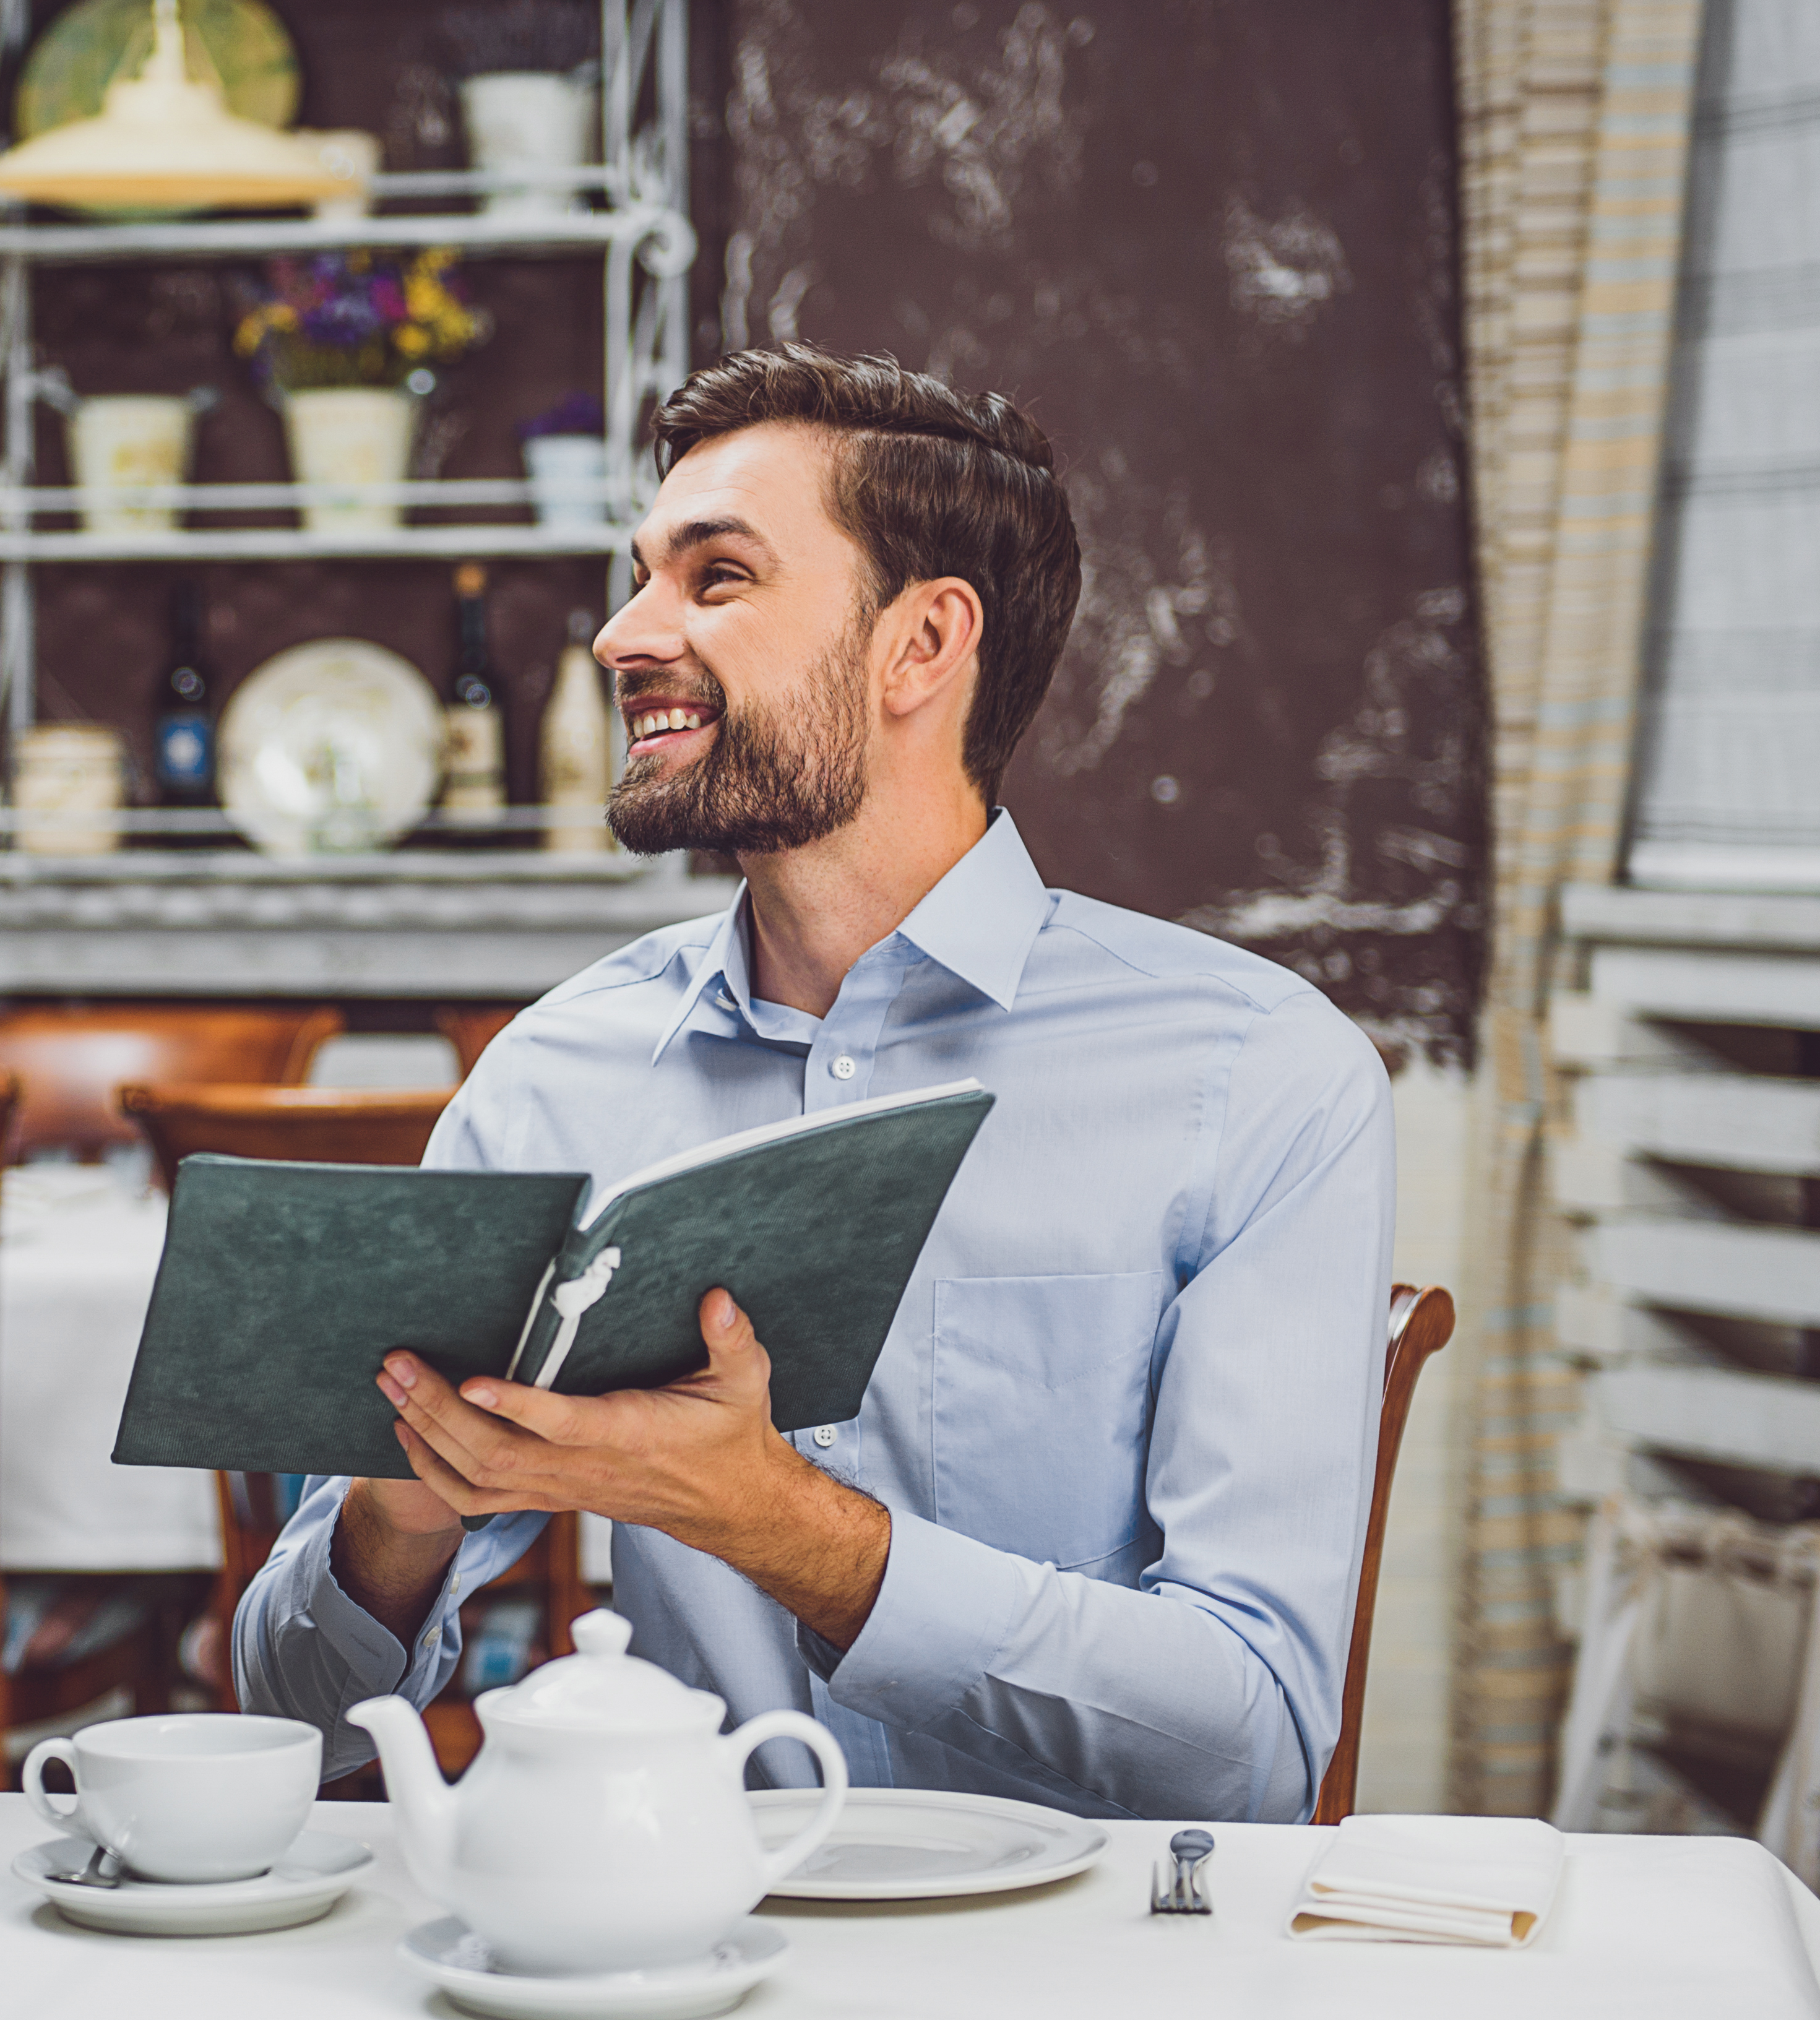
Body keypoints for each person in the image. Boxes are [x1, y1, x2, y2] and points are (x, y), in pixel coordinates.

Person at [235, 342, 1395, 1823]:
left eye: (712, 580)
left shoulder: (1260, 1078)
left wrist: (779, 1524)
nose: (618, 636)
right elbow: (292, 1723)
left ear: (921, 644)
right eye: (641, 575)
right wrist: (393, 1512)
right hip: (674, 1946)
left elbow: (1253, 1745)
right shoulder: (555, 1077)